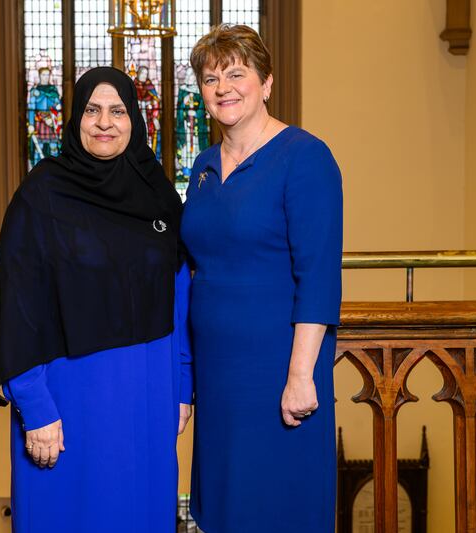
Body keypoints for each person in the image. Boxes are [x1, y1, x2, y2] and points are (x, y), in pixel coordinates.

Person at [0, 67, 193, 533]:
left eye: (117, 111)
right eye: (92, 110)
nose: (104, 122)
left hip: (147, 399)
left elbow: (178, 289)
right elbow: (16, 302)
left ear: (135, 119)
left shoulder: (156, 194)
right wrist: (34, 406)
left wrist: (181, 385)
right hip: (67, 400)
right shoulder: (42, 194)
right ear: (76, 118)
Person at [181, 25, 343, 533]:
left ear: (266, 82)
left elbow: (318, 275)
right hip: (217, 371)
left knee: (276, 507)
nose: (223, 87)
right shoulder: (203, 167)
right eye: (211, 78)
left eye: (236, 73)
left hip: (276, 369)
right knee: (224, 508)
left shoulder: (305, 157)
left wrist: (300, 377)